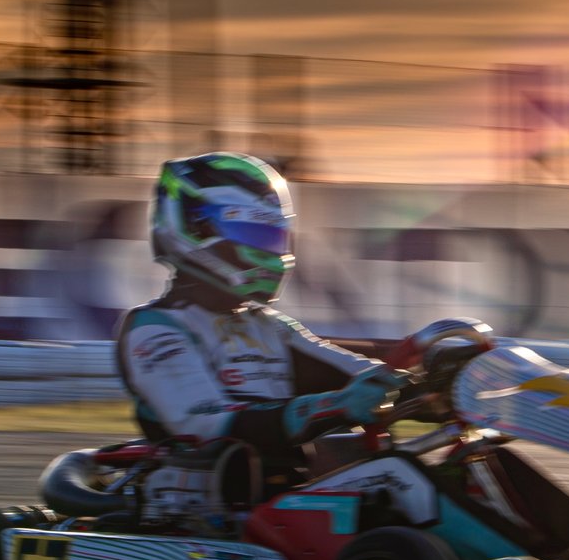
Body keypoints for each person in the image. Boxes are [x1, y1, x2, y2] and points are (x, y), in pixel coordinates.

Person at [115, 152, 404, 471]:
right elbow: (205, 426)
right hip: (208, 499)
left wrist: (432, 372)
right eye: (255, 235)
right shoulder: (156, 327)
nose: (269, 251)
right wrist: (330, 407)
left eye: (274, 237)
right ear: (195, 232)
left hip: (289, 492)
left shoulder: (268, 324)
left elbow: (359, 371)